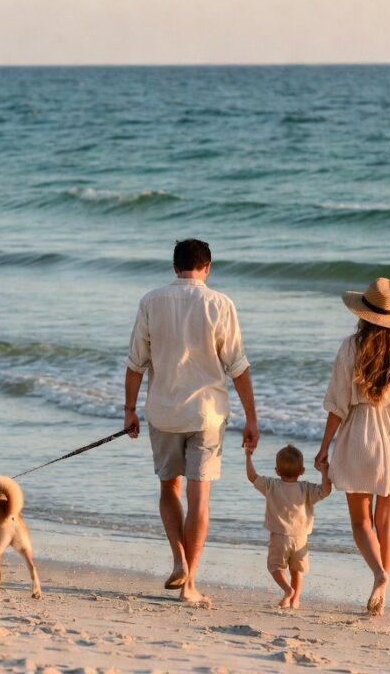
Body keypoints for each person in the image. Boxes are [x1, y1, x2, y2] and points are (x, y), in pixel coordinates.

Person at [124, 238, 259, 605]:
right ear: (208, 267)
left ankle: (178, 560)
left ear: (175, 267)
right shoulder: (220, 304)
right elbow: (238, 367)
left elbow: (136, 362)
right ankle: (190, 584)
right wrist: (251, 418)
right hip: (207, 415)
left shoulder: (151, 300)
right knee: (200, 499)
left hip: (163, 412)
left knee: (170, 490)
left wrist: (130, 410)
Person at [313, 277, 390, 617]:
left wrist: (324, 448)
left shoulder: (351, 347)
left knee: (360, 522)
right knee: (386, 523)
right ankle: (384, 585)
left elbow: (337, 404)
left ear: (363, 313)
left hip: (358, 435)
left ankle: (377, 572)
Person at [245, 443, 331, 609]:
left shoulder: (271, 485)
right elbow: (326, 490)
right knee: (297, 570)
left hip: (279, 536)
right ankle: (295, 599)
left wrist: (248, 456)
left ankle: (287, 590)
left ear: (277, 471)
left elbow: (252, 477)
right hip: (301, 538)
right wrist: (324, 471)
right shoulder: (306, 488)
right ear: (302, 471)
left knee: (275, 567)